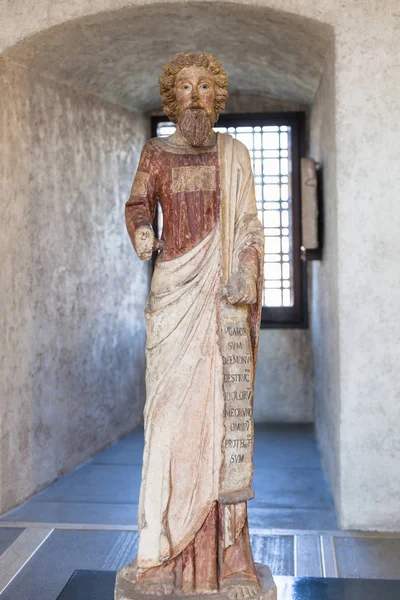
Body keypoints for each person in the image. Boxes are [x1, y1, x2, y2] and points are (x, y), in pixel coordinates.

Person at [119, 52, 264, 599]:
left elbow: (249, 223)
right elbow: (137, 204)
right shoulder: (156, 153)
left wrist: (246, 270)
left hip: (221, 300)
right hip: (174, 299)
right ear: (172, 97)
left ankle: (231, 558)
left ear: (218, 96)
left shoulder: (236, 155)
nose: (196, 95)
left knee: (223, 424)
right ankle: (157, 557)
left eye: (206, 86)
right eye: (186, 86)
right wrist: (141, 233)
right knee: (168, 424)